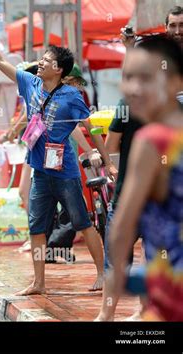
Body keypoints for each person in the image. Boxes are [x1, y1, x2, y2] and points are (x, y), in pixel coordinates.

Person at [0, 22, 119, 294]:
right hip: (40, 172)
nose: (40, 63)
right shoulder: (30, 83)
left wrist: (108, 160)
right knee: (36, 228)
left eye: (46, 61)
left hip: (65, 172)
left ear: (58, 69)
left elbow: (90, 126)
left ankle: (103, 275)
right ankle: (39, 282)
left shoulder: (71, 95)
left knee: (82, 222)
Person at [109, 35, 183, 321]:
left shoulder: (153, 140)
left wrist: (117, 273)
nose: (134, 88)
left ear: (176, 82)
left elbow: (123, 224)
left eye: (146, 79)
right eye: (128, 77)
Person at [94, 99, 145, 321]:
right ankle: (143, 311)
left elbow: (111, 145)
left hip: (127, 195)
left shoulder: (128, 104)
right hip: (162, 198)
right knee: (154, 258)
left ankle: (107, 314)